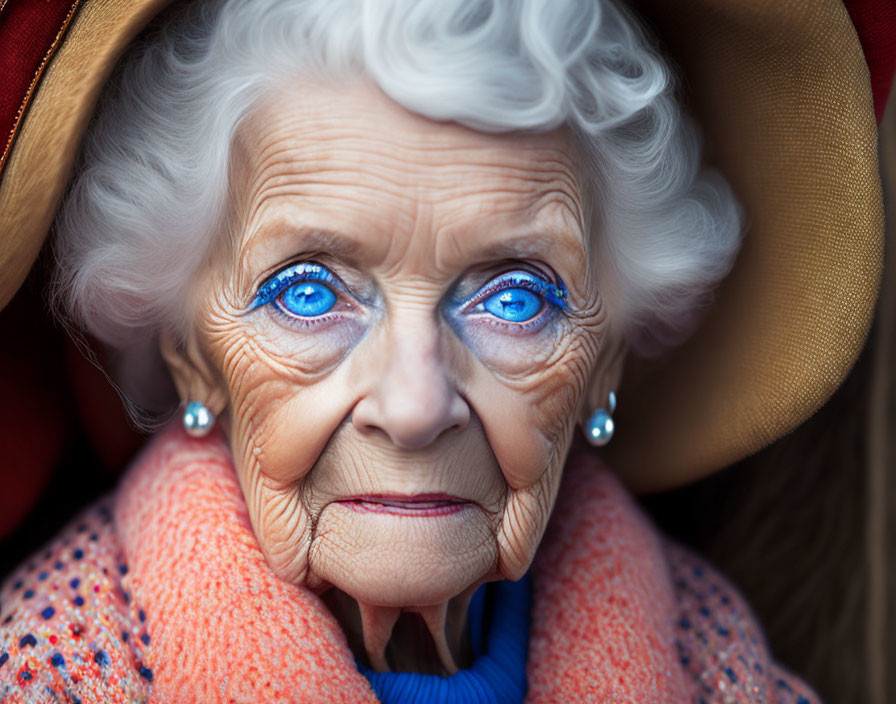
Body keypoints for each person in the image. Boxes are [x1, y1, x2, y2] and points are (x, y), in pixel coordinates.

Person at [0, 0, 885, 701]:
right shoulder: (56, 673)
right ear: (190, 350)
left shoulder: (714, 663)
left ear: (606, 360)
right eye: (308, 292)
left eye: (514, 297)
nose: (416, 405)